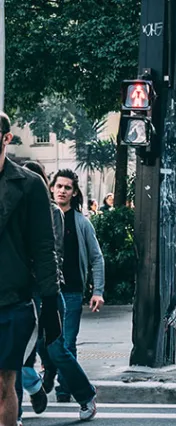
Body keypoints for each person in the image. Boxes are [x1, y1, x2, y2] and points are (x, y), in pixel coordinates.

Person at [18, 162, 98, 422]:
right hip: (20, 291)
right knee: (17, 352)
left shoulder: (53, 212)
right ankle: (17, 407)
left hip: (50, 290)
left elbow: (53, 253)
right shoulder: (17, 209)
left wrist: (98, 289)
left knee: (56, 349)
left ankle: (85, 394)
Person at [0, 112, 61, 426]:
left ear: (6, 138)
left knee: (3, 383)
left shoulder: (30, 185)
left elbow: (44, 247)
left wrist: (51, 303)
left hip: (12, 300)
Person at [49, 169, 105, 403]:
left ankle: (64, 389)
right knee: (47, 344)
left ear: (74, 192)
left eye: (67, 187)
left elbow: (96, 258)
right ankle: (48, 379)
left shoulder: (81, 222)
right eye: (59, 186)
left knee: (67, 342)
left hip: (71, 291)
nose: (62, 190)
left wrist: (98, 291)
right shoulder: (43, 218)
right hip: (46, 291)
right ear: (51, 188)